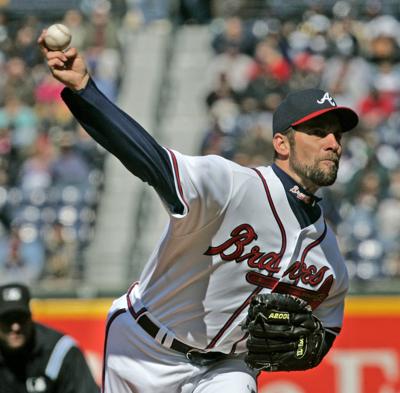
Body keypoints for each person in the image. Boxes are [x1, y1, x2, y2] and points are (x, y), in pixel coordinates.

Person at [38, 31, 359, 393]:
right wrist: (85, 91)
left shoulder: (330, 260)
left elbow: (326, 330)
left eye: (337, 136)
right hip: (144, 346)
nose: (333, 143)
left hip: (225, 369)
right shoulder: (231, 184)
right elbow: (150, 161)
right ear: (281, 143)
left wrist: (309, 348)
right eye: (318, 132)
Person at [0, 283, 99, 393]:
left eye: (21, 318)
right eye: (7, 319)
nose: (15, 327)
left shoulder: (60, 351)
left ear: (31, 318)